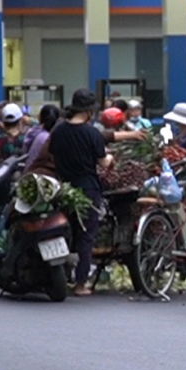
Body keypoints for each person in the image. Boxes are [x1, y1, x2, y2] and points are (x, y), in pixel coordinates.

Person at [49, 89, 112, 297]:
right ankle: (80, 284)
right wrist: (110, 159)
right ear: (89, 111)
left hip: (64, 189)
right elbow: (103, 162)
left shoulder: (58, 131)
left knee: (65, 232)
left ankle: (62, 276)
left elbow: (53, 156)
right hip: (87, 189)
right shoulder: (91, 133)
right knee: (86, 236)